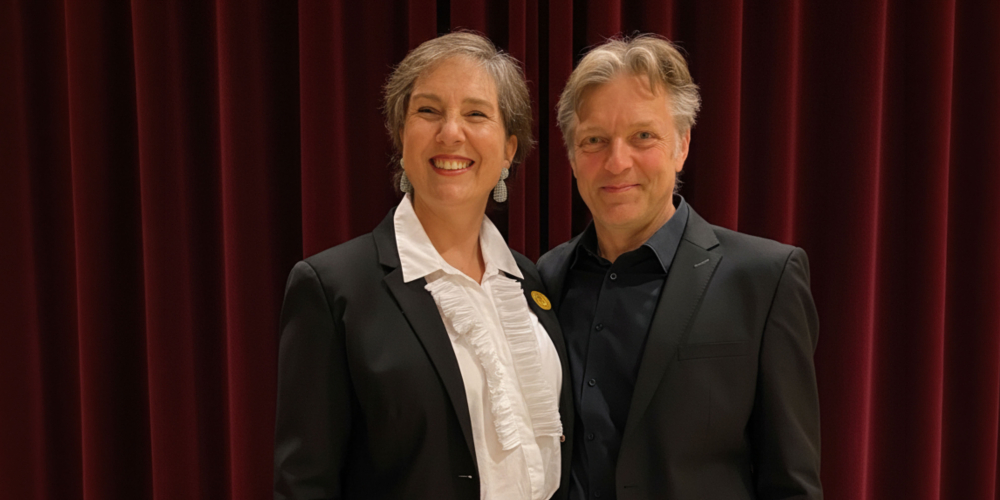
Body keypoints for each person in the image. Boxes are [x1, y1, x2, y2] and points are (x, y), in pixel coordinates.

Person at [274, 32, 572, 500]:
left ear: (509, 150)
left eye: (476, 113)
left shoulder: (529, 282)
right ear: (400, 133)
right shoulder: (334, 289)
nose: (451, 132)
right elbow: (305, 484)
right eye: (429, 111)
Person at [537, 35, 822, 499]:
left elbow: (791, 484)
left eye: (643, 136)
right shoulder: (546, 278)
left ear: (682, 145)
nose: (617, 161)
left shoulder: (765, 279)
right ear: (572, 156)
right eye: (594, 140)